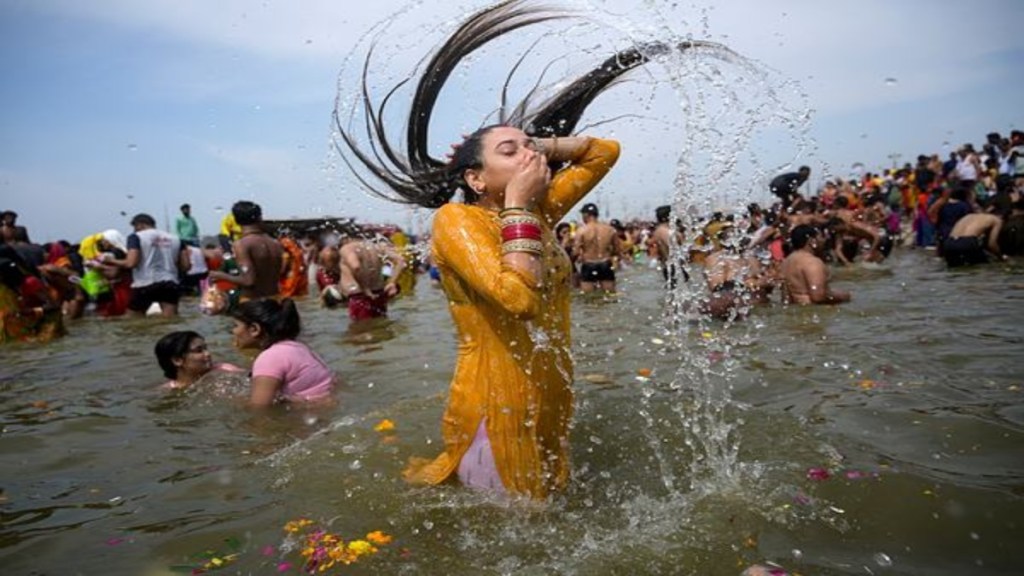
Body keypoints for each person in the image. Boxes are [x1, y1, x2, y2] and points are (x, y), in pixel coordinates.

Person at [329, 0, 693, 498]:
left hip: (552, 392)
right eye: (510, 151)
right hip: (493, 399)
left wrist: (540, 148)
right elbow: (519, 300)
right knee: (516, 529)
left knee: (550, 516)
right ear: (475, 178)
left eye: (531, 147)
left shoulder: (536, 214)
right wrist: (520, 201)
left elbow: (604, 152)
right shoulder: (457, 219)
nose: (527, 154)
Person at [230, 298, 335, 407]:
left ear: (254, 329)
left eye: (235, 326)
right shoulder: (299, 348)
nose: (232, 331)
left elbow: (259, 410)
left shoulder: (270, 358)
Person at [113, 213, 189, 317]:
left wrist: (111, 261)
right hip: (170, 283)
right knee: (170, 320)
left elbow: (131, 263)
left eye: (135, 227)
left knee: (131, 320)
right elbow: (186, 266)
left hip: (145, 283)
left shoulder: (136, 237)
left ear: (140, 225)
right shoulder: (177, 238)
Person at [208, 201, 283, 301]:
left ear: (235, 220)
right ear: (259, 217)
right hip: (276, 300)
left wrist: (220, 275)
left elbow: (248, 281)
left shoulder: (241, 245)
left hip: (254, 303)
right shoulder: (275, 243)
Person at [335, 233, 405, 321]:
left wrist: (365, 288)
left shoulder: (347, 248)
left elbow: (355, 266)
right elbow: (401, 261)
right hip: (379, 294)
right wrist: (392, 282)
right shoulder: (377, 247)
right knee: (381, 327)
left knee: (361, 330)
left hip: (360, 296)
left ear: (347, 238)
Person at [779, 224, 850, 305]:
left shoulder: (787, 261)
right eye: (820, 237)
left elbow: (786, 298)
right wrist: (843, 296)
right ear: (812, 241)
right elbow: (818, 297)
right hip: (812, 314)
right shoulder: (812, 262)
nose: (824, 240)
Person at [154, 330, 243, 390]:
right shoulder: (168, 390)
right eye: (199, 351)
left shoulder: (225, 370)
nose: (208, 354)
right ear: (177, 360)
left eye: (206, 348)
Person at [573, 203, 620, 292]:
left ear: (586, 214)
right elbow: (617, 250)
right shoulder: (610, 229)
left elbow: (575, 252)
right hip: (605, 264)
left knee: (588, 298)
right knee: (610, 296)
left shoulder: (581, 230)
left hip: (589, 265)